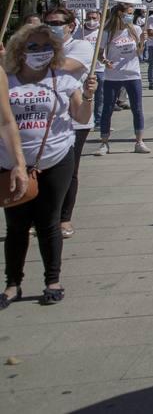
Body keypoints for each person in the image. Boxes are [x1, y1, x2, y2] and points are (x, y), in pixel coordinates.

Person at [3, 23, 95, 309]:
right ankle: (12, 284)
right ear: (20, 51)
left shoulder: (63, 80)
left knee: (49, 223)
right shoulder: (7, 80)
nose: (40, 52)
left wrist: (90, 94)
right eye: (33, 47)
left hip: (56, 158)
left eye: (46, 47)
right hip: (11, 163)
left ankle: (52, 280)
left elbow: (80, 116)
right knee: (16, 226)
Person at [44, 8, 93, 239]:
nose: (51, 26)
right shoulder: (40, 48)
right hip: (43, 117)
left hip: (75, 117)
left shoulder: (80, 46)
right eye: (48, 23)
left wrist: (24, 58)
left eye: (56, 22)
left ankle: (63, 218)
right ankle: (43, 216)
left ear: (71, 25)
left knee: (68, 171)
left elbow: (66, 67)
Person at [95, 2, 149, 156]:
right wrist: (105, 62)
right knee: (107, 109)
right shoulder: (107, 32)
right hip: (113, 76)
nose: (130, 16)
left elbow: (139, 53)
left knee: (137, 108)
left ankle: (139, 141)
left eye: (132, 13)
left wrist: (142, 42)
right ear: (119, 13)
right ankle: (104, 143)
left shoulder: (135, 30)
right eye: (128, 13)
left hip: (133, 74)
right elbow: (99, 54)